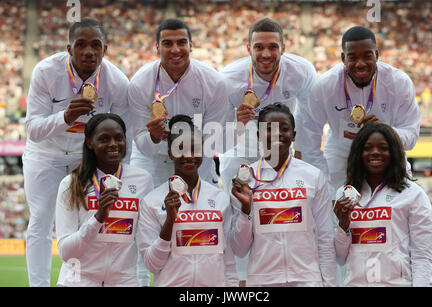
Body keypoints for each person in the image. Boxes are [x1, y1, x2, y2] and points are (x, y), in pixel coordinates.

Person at [23, 18, 130, 287]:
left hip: (84, 157)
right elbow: (32, 130)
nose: (88, 52)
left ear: (106, 49)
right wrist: (65, 117)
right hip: (44, 153)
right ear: (68, 49)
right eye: (80, 45)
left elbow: (121, 136)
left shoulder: (116, 81)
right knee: (41, 220)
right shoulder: (46, 71)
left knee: (87, 220)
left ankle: (83, 280)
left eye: (96, 45)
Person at [294, 25, 421, 199]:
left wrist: (386, 133)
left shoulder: (399, 83)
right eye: (352, 57)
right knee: (336, 211)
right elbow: (308, 142)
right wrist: (321, 181)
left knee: (400, 205)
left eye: (367, 56)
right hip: (341, 152)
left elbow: (411, 136)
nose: (360, 64)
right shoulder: (325, 86)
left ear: (377, 55)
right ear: (343, 58)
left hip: (386, 152)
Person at [231, 103, 336, 287]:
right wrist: (246, 211)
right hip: (263, 282)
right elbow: (239, 249)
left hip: (306, 280)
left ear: (293, 135)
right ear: (259, 136)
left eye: (285, 129)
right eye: (269, 129)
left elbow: (325, 237)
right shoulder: (244, 179)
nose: (278, 134)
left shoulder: (312, 176)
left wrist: (329, 283)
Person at [137, 115, 239, 286]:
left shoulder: (220, 198)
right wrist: (169, 221)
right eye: (181, 149)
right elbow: (152, 264)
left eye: (195, 149)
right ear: (170, 153)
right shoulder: (152, 201)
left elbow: (228, 261)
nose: (189, 156)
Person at [219, 17, 317, 193]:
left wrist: (301, 149)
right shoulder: (228, 79)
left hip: (280, 145)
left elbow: (307, 115)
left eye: (273, 47)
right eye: (259, 47)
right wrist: (238, 122)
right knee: (237, 206)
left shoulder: (302, 71)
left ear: (283, 48)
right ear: (249, 49)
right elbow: (219, 132)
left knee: (280, 206)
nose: (266, 54)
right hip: (242, 147)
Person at [128, 18, 228, 189]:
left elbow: (212, 140)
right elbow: (143, 145)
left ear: (191, 45)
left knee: (196, 209)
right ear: (157, 47)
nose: (175, 50)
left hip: (195, 157)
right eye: (167, 43)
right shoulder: (140, 82)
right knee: (145, 210)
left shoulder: (214, 82)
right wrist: (153, 136)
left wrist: (190, 166)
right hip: (153, 159)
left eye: (181, 42)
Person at [55, 113, 153, 287]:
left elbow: (145, 239)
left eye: (119, 138)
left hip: (124, 281)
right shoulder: (72, 184)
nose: (113, 144)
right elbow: (66, 252)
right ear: (89, 142)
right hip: (78, 279)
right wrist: (98, 218)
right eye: (104, 139)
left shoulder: (142, 180)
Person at [333, 122, 432, 286]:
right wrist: (342, 224)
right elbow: (340, 257)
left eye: (383, 147)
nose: (375, 153)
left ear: (394, 152)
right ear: (358, 153)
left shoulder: (413, 194)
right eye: (368, 148)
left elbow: (422, 256)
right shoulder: (344, 194)